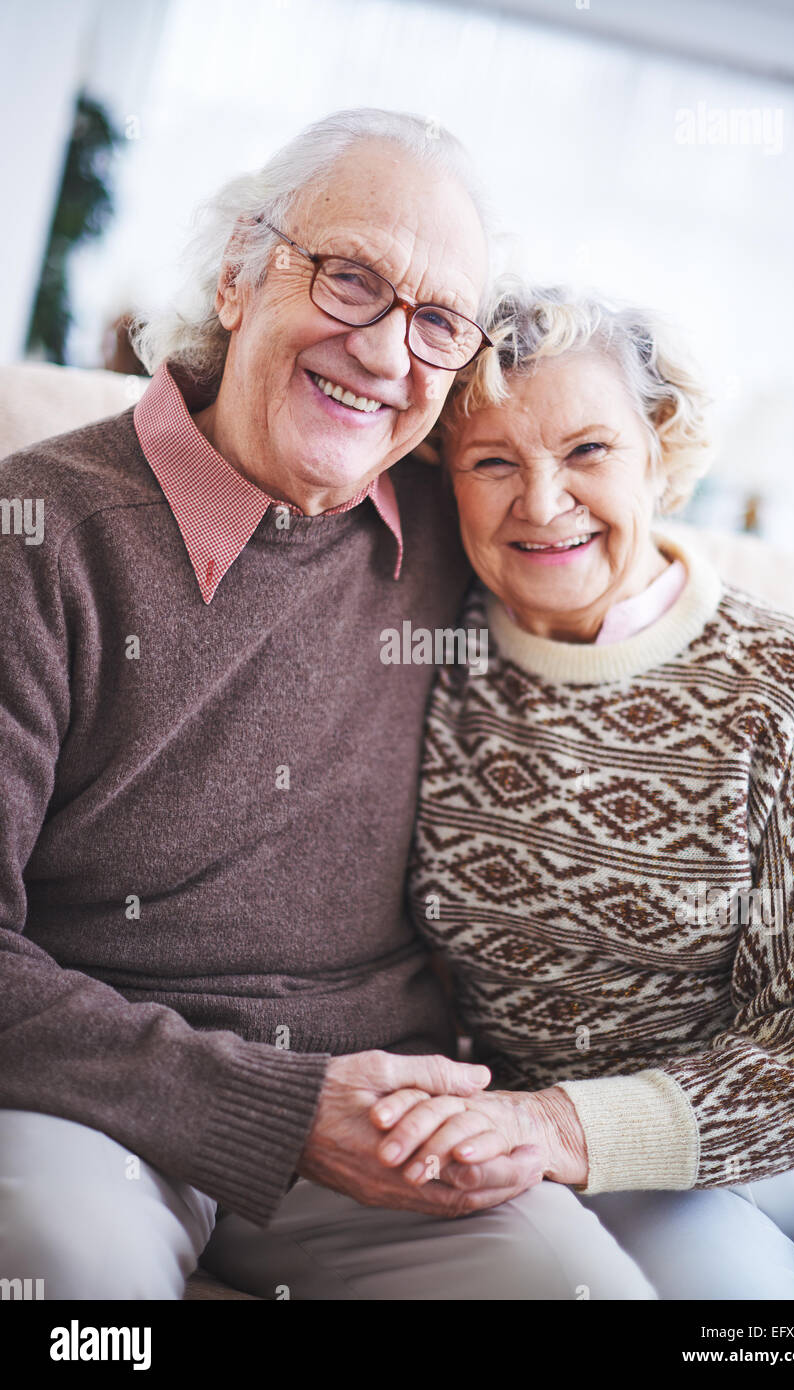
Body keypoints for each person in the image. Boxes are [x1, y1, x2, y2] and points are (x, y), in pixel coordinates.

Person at [0, 113, 655, 1301]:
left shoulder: (462, 528)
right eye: (351, 278)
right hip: (87, 1095)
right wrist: (276, 1109)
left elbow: (623, 573)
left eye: (438, 321)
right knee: (68, 1278)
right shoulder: (37, 538)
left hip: (386, 1104)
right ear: (240, 273)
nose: (388, 355)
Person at [373, 278, 794, 1299]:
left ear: (660, 448)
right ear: (443, 479)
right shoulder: (425, 654)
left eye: (588, 450)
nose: (543, 501)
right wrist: (561, 1128)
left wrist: (557, 1122)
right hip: (639, 1183)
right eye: (494, 461)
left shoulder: (780, 677)